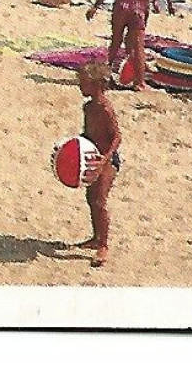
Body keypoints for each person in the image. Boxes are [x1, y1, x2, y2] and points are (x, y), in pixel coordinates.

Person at [75, 62, 121, 268]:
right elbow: (87, 132)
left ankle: (104, 245)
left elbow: (117, 137)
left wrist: (106, 159)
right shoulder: (88, 107)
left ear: (98, 85)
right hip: (92, 156)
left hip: (108, 159)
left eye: (83, 83)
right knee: (91, 198)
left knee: (100, 200)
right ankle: (95, 237)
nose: (80, 87)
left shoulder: (105, 108)